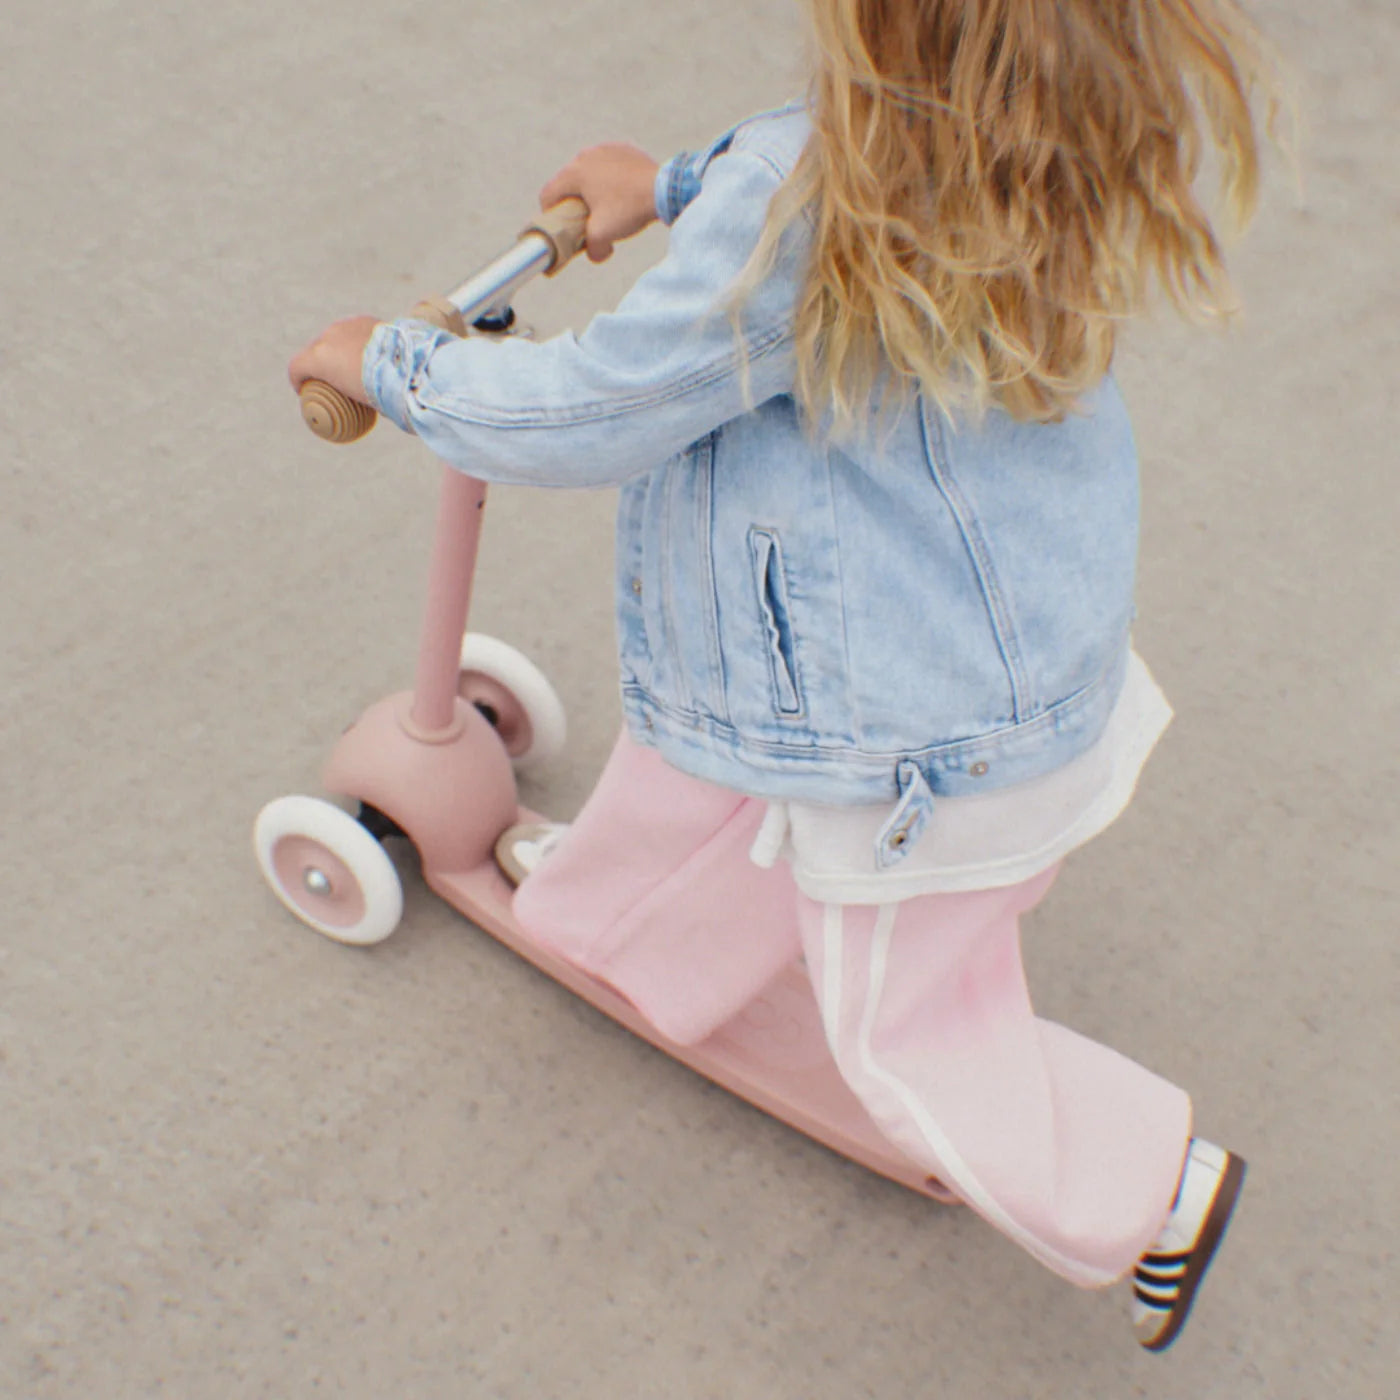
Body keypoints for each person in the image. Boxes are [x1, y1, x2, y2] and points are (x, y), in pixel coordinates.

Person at [289, 0, 1282, 1351]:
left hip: (906, 749)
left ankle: (1156, 1187)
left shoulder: (795, 218)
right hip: (916, 657)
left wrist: (402, 368)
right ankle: (609, 921)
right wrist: (674, 184)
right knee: (698, 768)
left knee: (910, 1029)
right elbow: (812, 173)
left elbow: (596, 407)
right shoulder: (1018, 139)